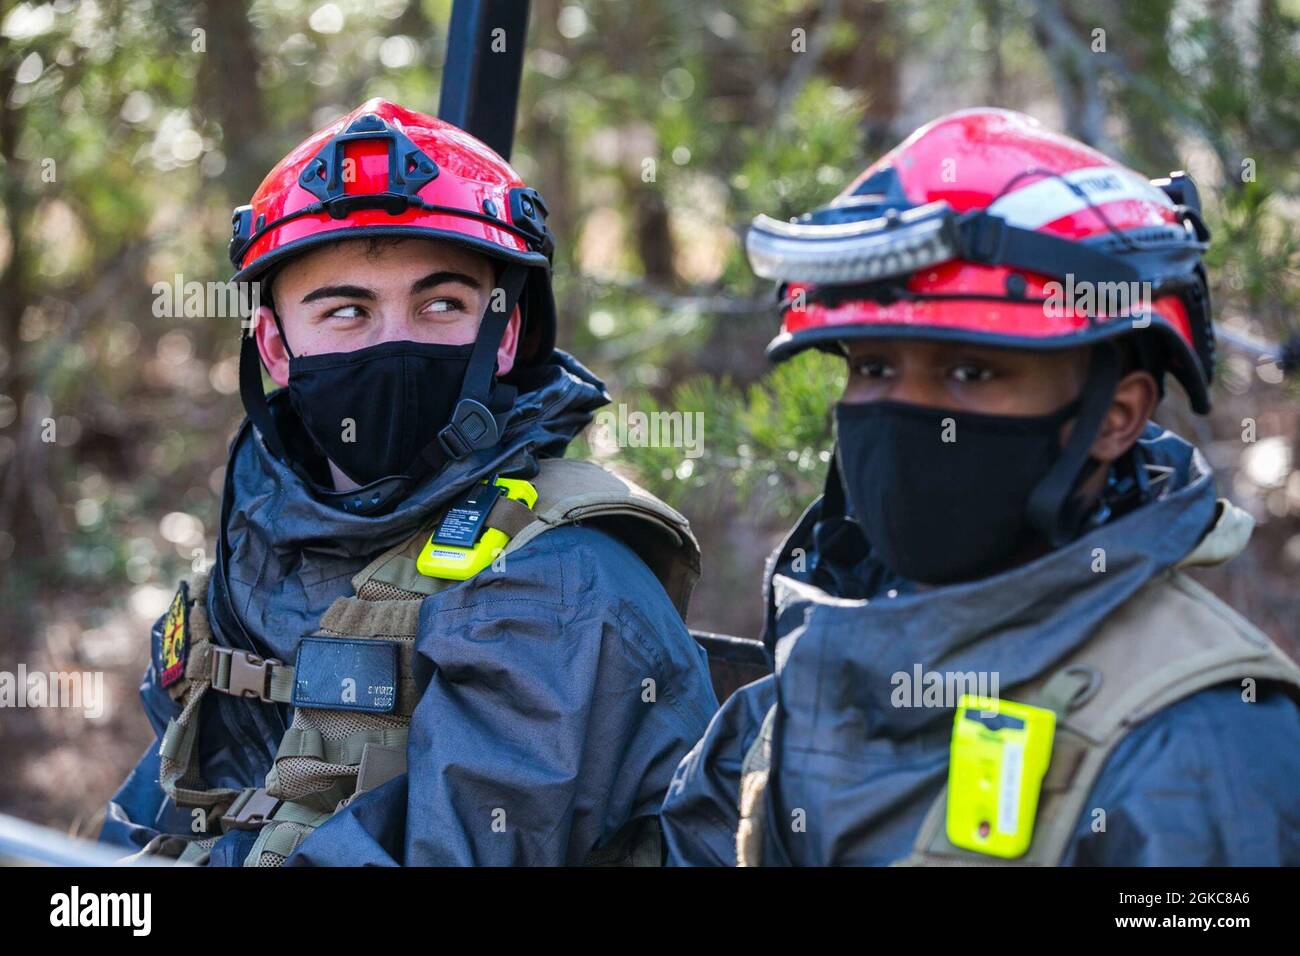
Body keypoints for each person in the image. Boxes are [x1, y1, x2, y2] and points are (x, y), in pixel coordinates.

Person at [660, 108, 1300, 866]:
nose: (906, 413)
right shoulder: (805, 682)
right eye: (872, 368)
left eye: (971, 371)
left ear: (1114, 417)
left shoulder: (1202, 750)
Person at [100, 99, 717, 866]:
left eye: (440, 304)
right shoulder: (258, 547)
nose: (395, 341)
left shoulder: (559, 587)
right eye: (346, 311)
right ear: (276, 346)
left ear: (506, 334)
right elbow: (152, 815)